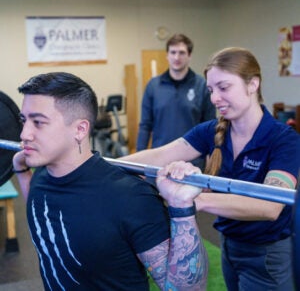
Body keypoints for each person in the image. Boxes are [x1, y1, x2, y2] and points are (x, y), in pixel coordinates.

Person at [121, 47, 300, 290]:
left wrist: (192, 202)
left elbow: (269, 207)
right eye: (211, 90)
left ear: (253, 84)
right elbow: (159, 155)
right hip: (229, 245)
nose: (215, 98)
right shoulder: (210, 131)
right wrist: (103, 165)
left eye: (224, 88)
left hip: (267, 254)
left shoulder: (283, 139)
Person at [12, 72, 208, 291]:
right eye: (24, 120)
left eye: (38, 122)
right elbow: (42, 222)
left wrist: (181, 207)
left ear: (80, 129)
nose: (24, 133)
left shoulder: (131, 197)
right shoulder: (41, 177)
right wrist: (21, 170)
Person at [137, 33, 215, 169]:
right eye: (173, 52)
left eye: (182, 53)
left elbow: (210, 127)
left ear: (189, 55)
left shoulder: (202, 86)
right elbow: (145, 126)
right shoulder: (153, 86)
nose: (176, 57)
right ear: (167, 55)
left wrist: (211, 164)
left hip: (192, 165)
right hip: (159, 163)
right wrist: (136, 164)